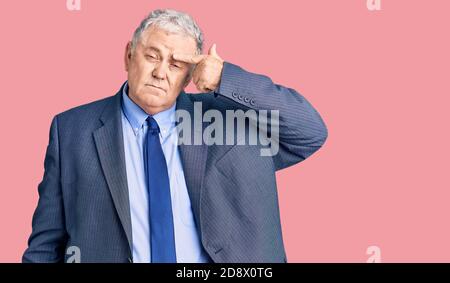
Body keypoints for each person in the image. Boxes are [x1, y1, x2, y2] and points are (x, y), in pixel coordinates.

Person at [23, 8, 328, 263]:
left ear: (189, 76)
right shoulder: (72, 130)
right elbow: (45, 246)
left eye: (177, 63)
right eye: (152, 56)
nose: (161, 72)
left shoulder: (228, 120)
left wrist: (225, 78)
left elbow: (309, 132)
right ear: (129, 55)